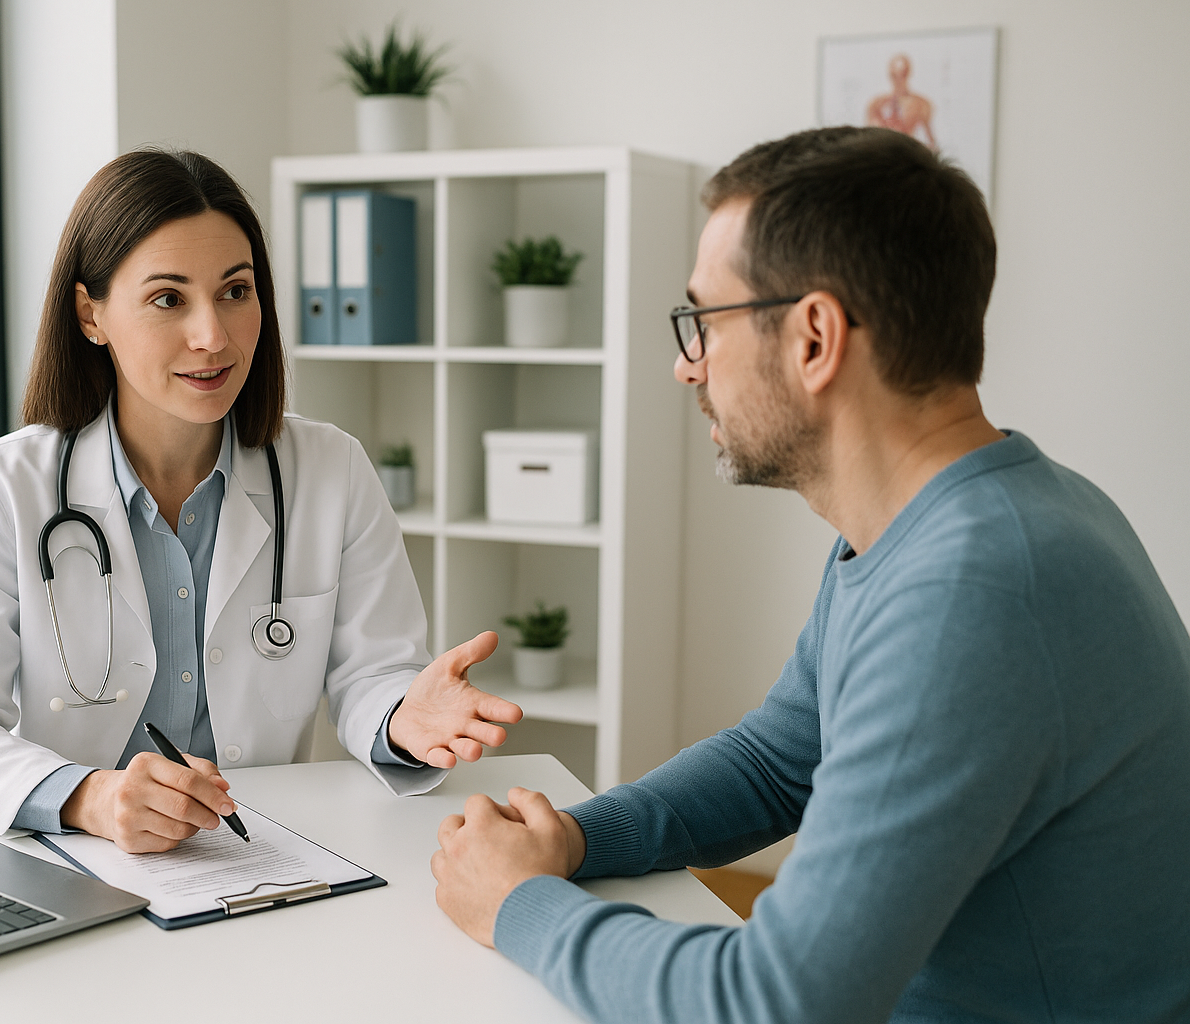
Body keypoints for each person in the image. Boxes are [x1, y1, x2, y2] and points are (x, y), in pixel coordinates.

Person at [429, 127, 1190, 1022]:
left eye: (702, 323)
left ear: (815, 337)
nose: (686, 366)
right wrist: (572, 838)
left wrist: (517, 904)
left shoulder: (973, 591)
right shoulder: (971, 517)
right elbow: (778, 761)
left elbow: (779, 1003)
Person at [0, 150, 521, 849]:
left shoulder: (329, 468)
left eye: (236, 290)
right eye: (169, 298)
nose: (214, 336)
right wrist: (90, 798)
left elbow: (374, 674)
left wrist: (403, 717)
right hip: (79, 860)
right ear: (90, 314)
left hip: (270, 856)